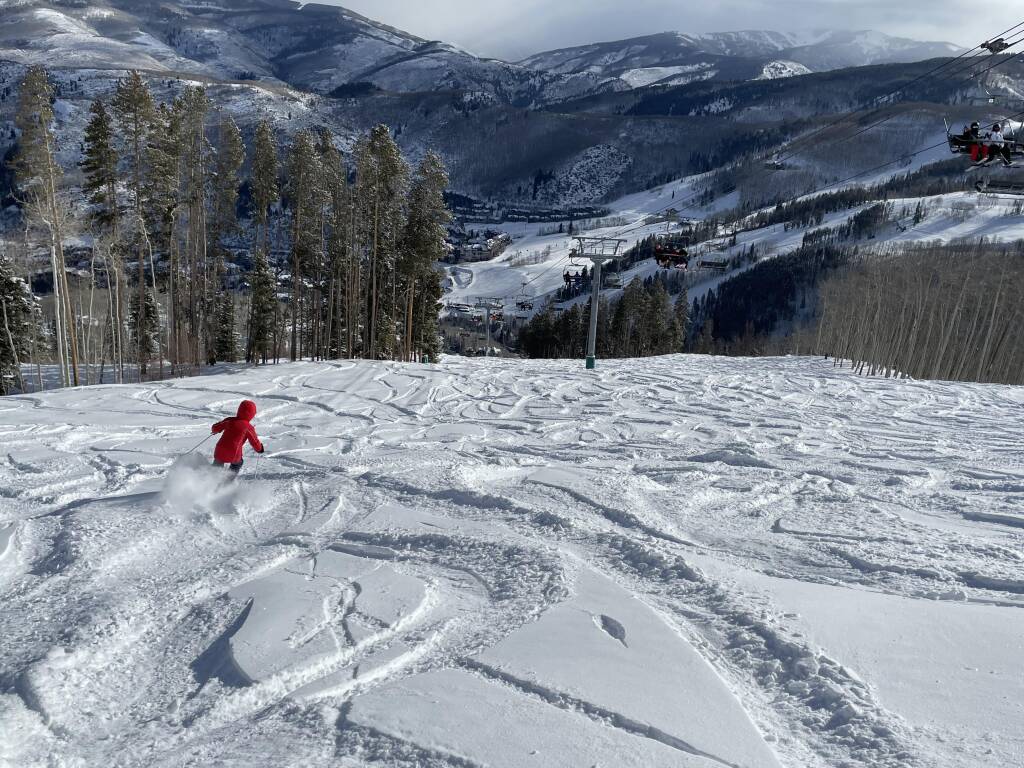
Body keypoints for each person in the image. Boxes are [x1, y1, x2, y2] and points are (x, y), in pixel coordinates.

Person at [211, 400, 265, 475]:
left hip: (220, 449)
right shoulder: (248, 427)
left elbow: (215, 428)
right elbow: (254, 442)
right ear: (252, 414)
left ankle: (209, 478)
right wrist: (260, 449)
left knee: (217, 465)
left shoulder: (229, 420)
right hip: (234, 454)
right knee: (237, 464)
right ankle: (227, 481)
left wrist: (215, 430)